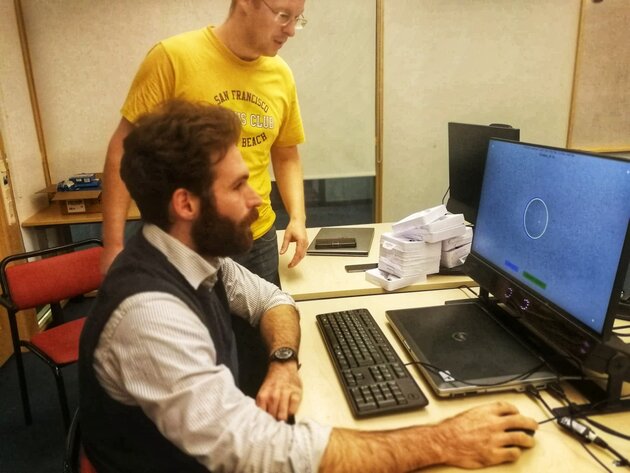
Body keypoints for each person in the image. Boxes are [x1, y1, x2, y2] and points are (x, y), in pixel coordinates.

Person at [79, 100, 539, 473]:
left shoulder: (195, 257)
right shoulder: (151, 314)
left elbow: (272, 299)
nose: (258, 198)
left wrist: (282, 361)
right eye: (239, 185)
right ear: (186, 203)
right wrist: (443, 439)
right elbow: (259, 452)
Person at [100, 0, 310, 395]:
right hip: (189, 238)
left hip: (254, 236)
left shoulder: (280, 74)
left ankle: (254, 426)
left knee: (253, 351)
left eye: (298, 19)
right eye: (283, 15)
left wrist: (296, 217)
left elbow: (286, 153)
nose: (291, 29)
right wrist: (112, 244)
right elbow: (123, 148)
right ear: (246, 3)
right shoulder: (174, 58)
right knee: (194, 351)